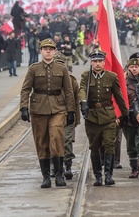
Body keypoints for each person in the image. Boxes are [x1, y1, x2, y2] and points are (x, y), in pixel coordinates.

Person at [19, 38, 75, 189]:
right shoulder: (33, 69)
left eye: (51, 48)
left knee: (56, 138)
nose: (48, 51)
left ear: (55, 51)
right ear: (41, 51)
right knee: (41, 142)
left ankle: (59, 174)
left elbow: (69, 91)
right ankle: (46, 177)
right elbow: (25, 89)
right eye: (45, 49)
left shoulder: (62, 68)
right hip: (38, 110)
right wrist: (23, 107)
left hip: (58, 108)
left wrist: (71, 111)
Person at [78, 50, 129, 186]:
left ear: (104, 62)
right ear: (91, 62)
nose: (97, 64)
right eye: (95, 61)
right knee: (94, 147)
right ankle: (98, 176)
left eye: (100, 61)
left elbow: (119, 96)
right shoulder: (86, 76)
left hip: (108, 117)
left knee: (109, 145)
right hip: (92, 117)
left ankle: (108, 175)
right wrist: (83, 102)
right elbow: (82, 89)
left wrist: (125, 114)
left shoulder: (111, 77)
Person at [53, 52, 81, 180]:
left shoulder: (72, 80)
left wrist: (76, 118)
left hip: (67, 116)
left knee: (67, 141)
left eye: (61, 64)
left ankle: (67, 165)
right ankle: (55, 166)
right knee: (53, 141)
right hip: (52, 115)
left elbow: (76, 101)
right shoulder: (48, 80)